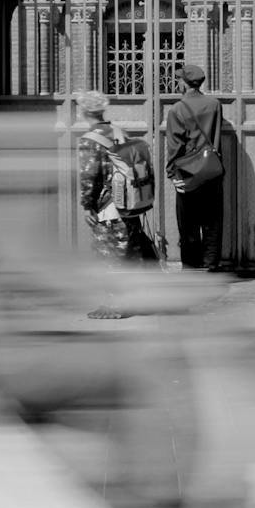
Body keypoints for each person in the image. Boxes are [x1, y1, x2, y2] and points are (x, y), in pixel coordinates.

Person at [75, 90, 158, 318]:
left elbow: (89, 177)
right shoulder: (119, 132)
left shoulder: (90, 140)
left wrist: (88, 205)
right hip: (129, 204)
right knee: (131, 254)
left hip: (108, 209)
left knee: (109, 257)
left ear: (84, 112)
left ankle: (114, 306)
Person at [163, 64, 224, 272]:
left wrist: (172, 174)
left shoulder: (177, 109)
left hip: (188, 173)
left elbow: (174, 145)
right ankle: (211, 265)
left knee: (188, 223)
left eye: (179, 79)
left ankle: (191, 267)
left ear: (184, 83)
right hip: (212, 170)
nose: (178, 82)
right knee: (212, 222)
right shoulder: (215, 104)